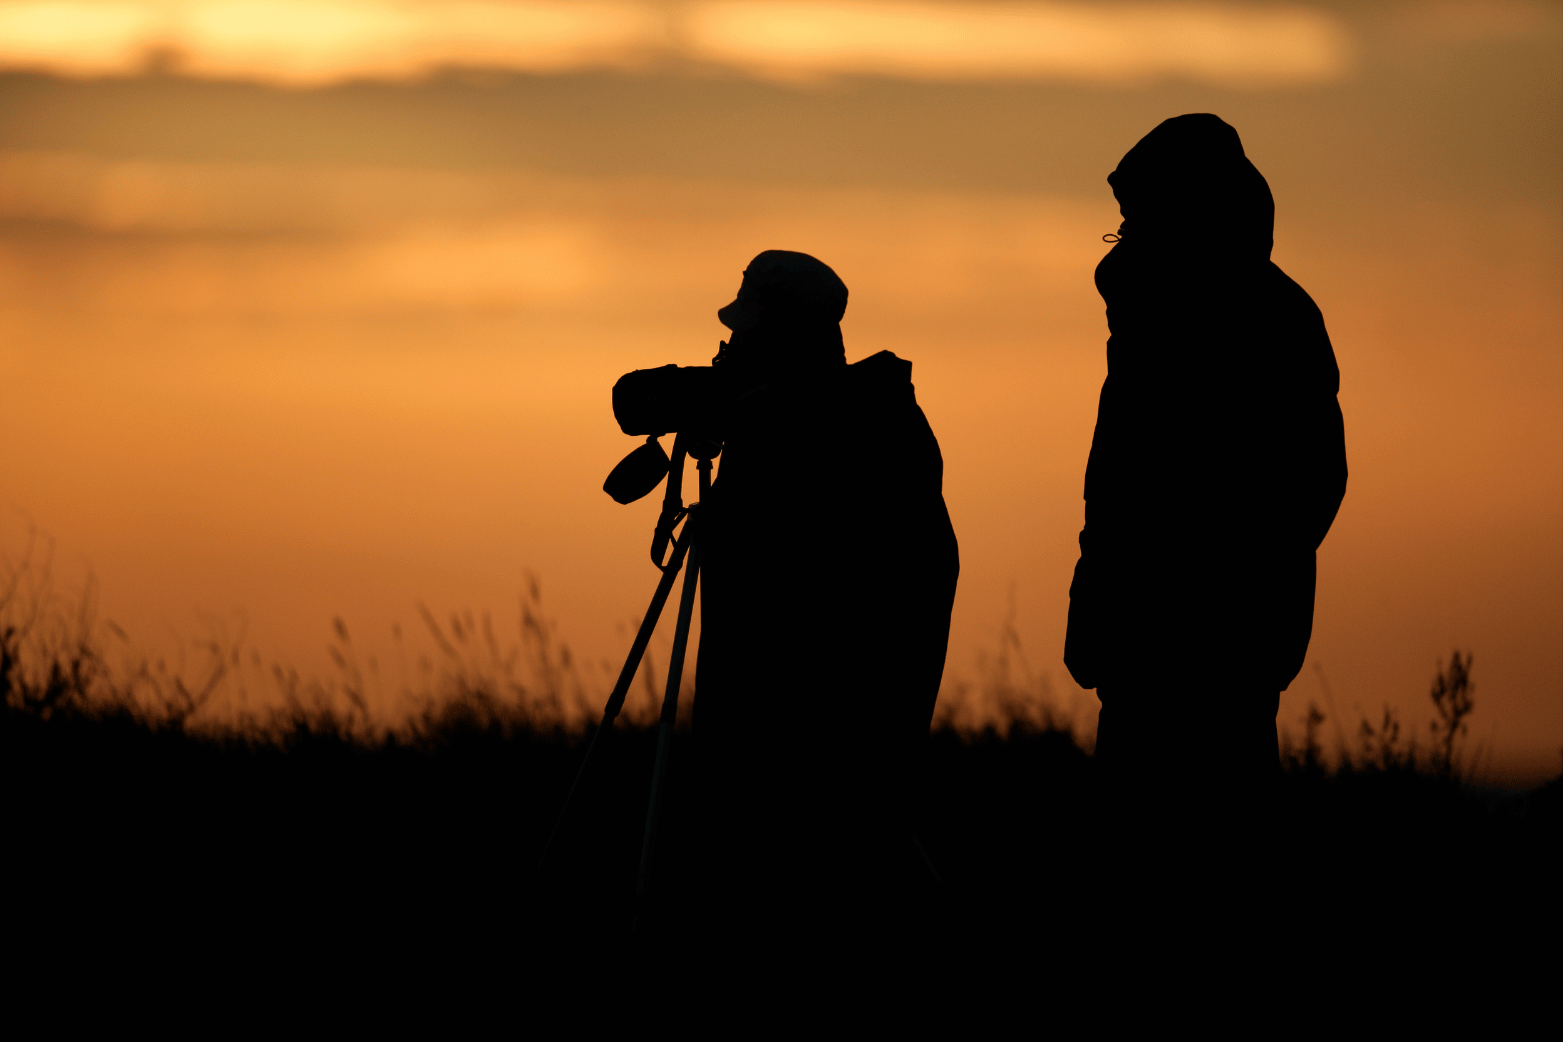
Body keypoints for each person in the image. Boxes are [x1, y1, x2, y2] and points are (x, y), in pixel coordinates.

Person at [615, 250, 959, 916]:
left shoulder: (833, 427)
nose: (735, 347)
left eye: (749, 332)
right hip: (818, 729)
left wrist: (735, 409)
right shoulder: (851, 414)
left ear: (787, 334)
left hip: (818, 731)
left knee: (821, 860)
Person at [1064, 115, 1347, 819]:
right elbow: (1119, 488)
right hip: (1146, 645)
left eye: (1140, 218)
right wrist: (1097, 604)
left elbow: (1303, 488)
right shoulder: (1153, 322)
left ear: (1189, 214)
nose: (1125, 237)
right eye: (1122, 222)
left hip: (1215, 651)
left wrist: (1218, 596)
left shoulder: (1261, 320)